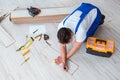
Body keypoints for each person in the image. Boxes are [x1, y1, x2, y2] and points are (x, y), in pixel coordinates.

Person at [55, 3, 105, 71]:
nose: (67, 44)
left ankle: (100, 19)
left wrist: (65, 58)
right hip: (84, 6)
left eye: (68, 42)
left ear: (71, 34)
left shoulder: (81, 31)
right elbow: (62, 46)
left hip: (95, 11)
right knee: (81, 38)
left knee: (86, 39)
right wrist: (64, 62)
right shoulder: (61, 26)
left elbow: (76, 47)